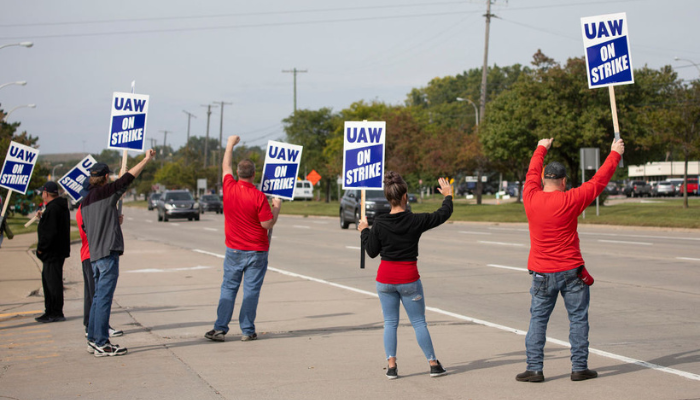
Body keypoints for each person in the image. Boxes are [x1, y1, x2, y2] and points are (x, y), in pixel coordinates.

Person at [516, 137, 625, 383]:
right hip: (572, 271)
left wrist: (541, 147)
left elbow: (531, 171)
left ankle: (534, 368)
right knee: (578, 319)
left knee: (538, 321)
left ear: (544, 179)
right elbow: (599, 182)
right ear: (564, 181)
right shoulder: (571, 199)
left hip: (542, 273)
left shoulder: (530, 197)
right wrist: (614, 153)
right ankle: (579, 368)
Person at [359, 171, 453, 379]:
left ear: (387, 197)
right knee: (419, 322)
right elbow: (442, 214)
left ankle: (391, 366)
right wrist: (448, 195)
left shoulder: (380, 223)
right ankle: (433, 364)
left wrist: (364, 230)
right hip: (409, 278)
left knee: (390, 323)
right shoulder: (415, 220)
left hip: (384, 280)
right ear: (405, 196)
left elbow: (372, 252)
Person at [205, 135, 282, 342]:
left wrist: (230, 144)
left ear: (238, 173)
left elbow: (225, 166)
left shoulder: (228, 187)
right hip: (257, 251)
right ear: (255, 175)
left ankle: (220, 328)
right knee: (251, 291)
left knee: (229, 288)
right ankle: (247, 330)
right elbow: (267, 224)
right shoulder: (259, 196)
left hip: (234, 250)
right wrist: (276, 206)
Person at [81, 150, 155, 357]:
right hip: (107, 253)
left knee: (97, 298)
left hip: (94, 255)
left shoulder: (85, 201)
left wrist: (113, 218)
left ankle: (93, 339)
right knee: (103, 299)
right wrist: (146, 159)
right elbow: (128, 178)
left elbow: (88, 228)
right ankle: (102, 343)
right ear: (106, 177)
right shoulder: (106, 192)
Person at [75, 203, 124, 339]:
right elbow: (92, 231)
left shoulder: (88, 206)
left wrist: (114, 222)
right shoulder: (87, 207)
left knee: (95, 294)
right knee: (97, 295)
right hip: (92, 253)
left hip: (93, 253)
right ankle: (97, 331)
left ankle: (94, 329)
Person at [35, 181, 71, 323]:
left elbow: (49, 233)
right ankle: (50, 310)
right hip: (57, 251)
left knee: (52, 283)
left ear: (46, 193)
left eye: (42, 193)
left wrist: (41, 249)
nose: (41, 195)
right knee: (50, 282)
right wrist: (42, 218)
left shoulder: (53, 209)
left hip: (52, 252)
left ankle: (55, 312)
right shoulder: (57, 207)